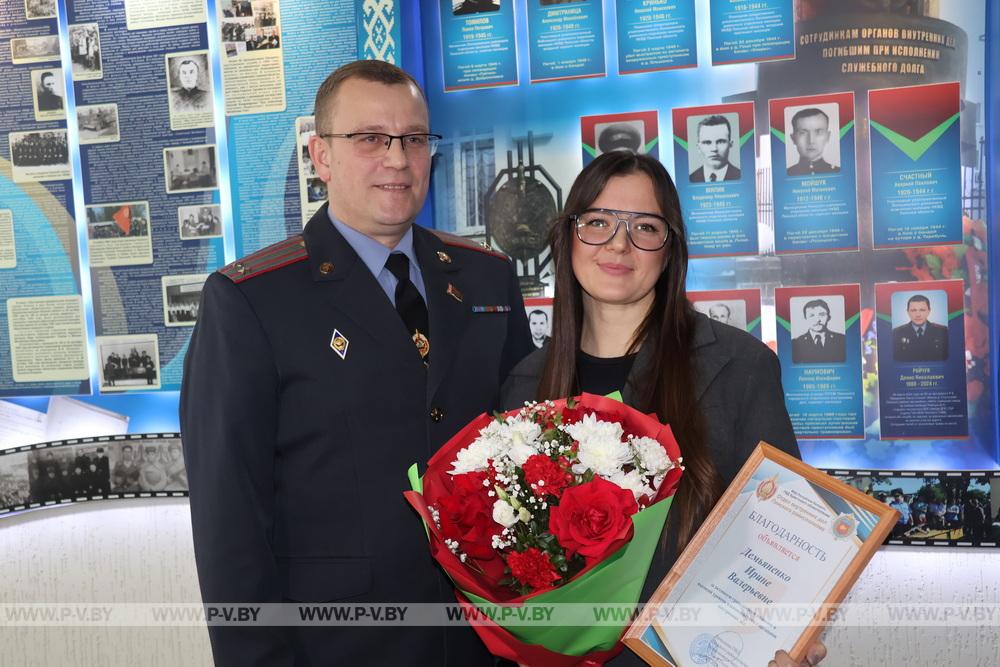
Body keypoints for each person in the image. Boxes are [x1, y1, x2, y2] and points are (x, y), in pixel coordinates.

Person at [180, 59, 532, 666]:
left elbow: (523, 451)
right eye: (370, 138)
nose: (397, 160)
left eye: (414, 139)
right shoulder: (252, 300)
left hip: (486, 640)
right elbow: (229, 520)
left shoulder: (485, 277)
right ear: (321, 156)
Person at [499, 151, 825, 667]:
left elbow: (787, 534)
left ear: (670, 249)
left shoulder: (739, 367)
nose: (619, 244)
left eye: (645, 227)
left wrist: (787, 634)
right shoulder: (524, 384)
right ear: (567, 237)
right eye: (598, 222)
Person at [892, 294, 948, 362]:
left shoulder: (943, 332)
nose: (918, 315)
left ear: (929, 311)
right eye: (913, 310)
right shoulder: (896, 333)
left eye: (922, 310)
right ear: (908, 312)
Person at [787, 107, 840, 176]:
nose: (811, 141)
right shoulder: (787, 173)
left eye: (818, 132)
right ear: (793, 138)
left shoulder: (837, 172)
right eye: (803, 133)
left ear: (827, 136)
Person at [791, 298, 846, 364]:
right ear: (805, 318)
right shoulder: (795, 343)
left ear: (829, 317)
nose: (817, 320)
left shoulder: (841, 340)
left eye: (822, 314)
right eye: (811, 315)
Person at [689, 115, 740, 182]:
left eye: (721, 142)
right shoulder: (691, 179)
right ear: (698, 147)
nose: (714, 149)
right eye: (707, 142)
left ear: (730, 144)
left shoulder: (740, 176)